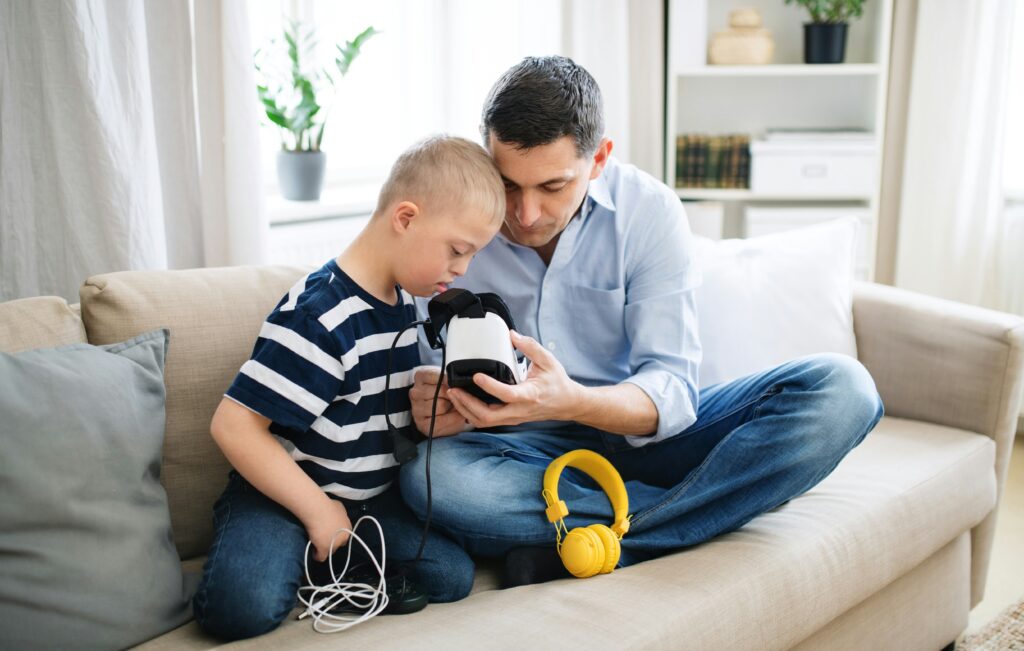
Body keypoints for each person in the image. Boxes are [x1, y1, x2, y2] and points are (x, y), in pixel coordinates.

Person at [400, 57, 884, 587]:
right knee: (435, 485)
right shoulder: (457, 221)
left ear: (600, 158)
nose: (525, 213)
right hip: (524, 450)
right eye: (508, 184)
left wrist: (574, 400)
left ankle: (599, 541)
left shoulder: (648, 212)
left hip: (652, 440)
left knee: (845, 391)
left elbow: (673, 391)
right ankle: (700, 509)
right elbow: (433, 371)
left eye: (553, 186)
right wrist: (441, 407)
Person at [192, 135, 505, 640]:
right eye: (457, 250)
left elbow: (376, 415)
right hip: (283, 493)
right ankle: (307, 545)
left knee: (450, 576)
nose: (463, 269)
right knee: (238, 608)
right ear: (405, 218)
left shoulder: (406, 302)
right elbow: (234, 424)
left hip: (363, 501)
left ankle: (325, 563)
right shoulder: (320, 316)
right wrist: (317, 511)